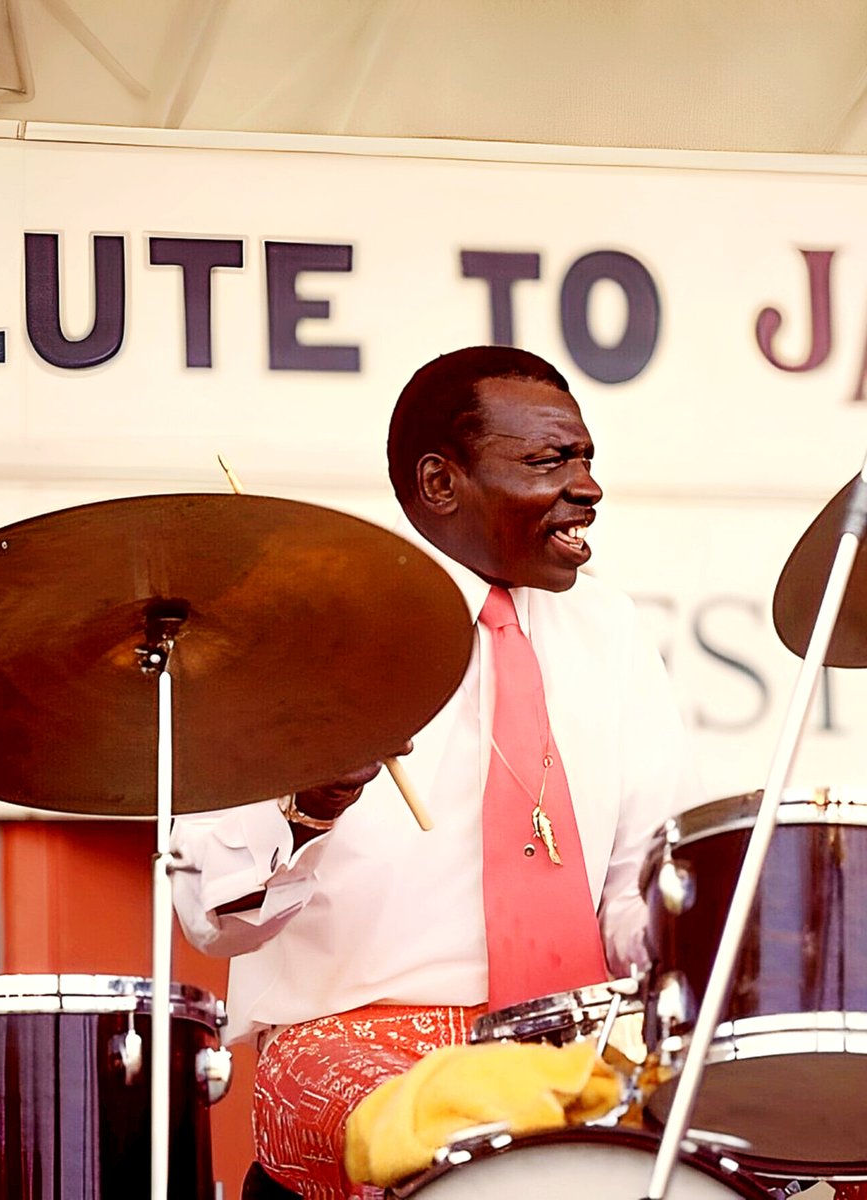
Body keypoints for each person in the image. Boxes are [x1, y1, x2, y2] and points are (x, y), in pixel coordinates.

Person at [170, 345, 704, 1198]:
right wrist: (309, 808)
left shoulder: (610, 628)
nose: (587, 487)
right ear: (439, 483)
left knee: (859, 1106)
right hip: (352, 1035)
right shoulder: (313, 623)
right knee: (482, 1135)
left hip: (576, 1047)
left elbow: (633, 897)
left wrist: (716, 935)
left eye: (586, 459)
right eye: (548, 461)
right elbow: (211, 916)